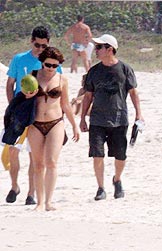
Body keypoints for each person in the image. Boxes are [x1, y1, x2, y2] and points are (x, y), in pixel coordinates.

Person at [79, 34, 144, 201]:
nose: (96, 50)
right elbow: (88, 96)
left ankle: (117, 179)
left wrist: (139, 113)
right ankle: (100, 188)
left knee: (120, 155)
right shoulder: (94, 71)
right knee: (97, 154)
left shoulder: (124, 69)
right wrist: (82, 119)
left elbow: (133, 92)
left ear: (110, 49)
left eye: (99, 47)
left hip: (119, 118)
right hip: (97, 120)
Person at [4, 26, 58, 205]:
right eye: (37, 45)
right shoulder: (19, 59)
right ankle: (14, 186)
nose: (40, 49)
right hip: (20, 110)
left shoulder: (51, 62)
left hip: (40, 114)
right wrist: (13, 106)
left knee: (35, 155)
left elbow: (58, 88)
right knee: (13, 150)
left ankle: (31, 192)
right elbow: (10, 83)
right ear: (31, 41)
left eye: (44, 46)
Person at [25, 47, 80, 211]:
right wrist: (28, 95)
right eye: (48, 65)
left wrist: (74, 125)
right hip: (35, 124)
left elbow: (65, 104)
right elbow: (21, 100)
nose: (50, 69)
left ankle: (49, 201)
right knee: (38, 164)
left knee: (52, 162)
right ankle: (40, 202)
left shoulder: (62, 79)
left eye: (54, 66)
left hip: (55, 122)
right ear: (42, 62)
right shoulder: (32, 76)